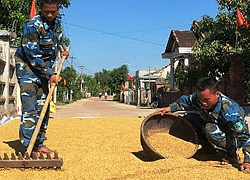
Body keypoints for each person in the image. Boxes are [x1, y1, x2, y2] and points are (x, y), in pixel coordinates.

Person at [156, 77, 250, 171]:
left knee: (210, 128)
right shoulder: (199, 99)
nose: (203, 103)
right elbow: (186, 100)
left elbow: (244, 136)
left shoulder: (231, 111)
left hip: (231, 138)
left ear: (217, 94)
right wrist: (170, 108)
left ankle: (229, 154)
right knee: (188, 118)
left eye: (206, 99)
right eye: (200, 99)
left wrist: (247, 161)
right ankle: (209, 148)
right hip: (213, 127)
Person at [15, 0, 69, 154]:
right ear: (40, 8)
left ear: (58, 8)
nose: (50, 15)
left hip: (45, 71)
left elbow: (56, 42)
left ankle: (39, 143)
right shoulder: (32, 26)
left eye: (53, 11)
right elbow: (32, 55)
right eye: (46, 11)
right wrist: (50, 74)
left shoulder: (56, 24)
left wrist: (63, 51)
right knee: (31, 107)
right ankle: (28, 146)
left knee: (43, 107)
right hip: (27, 69)